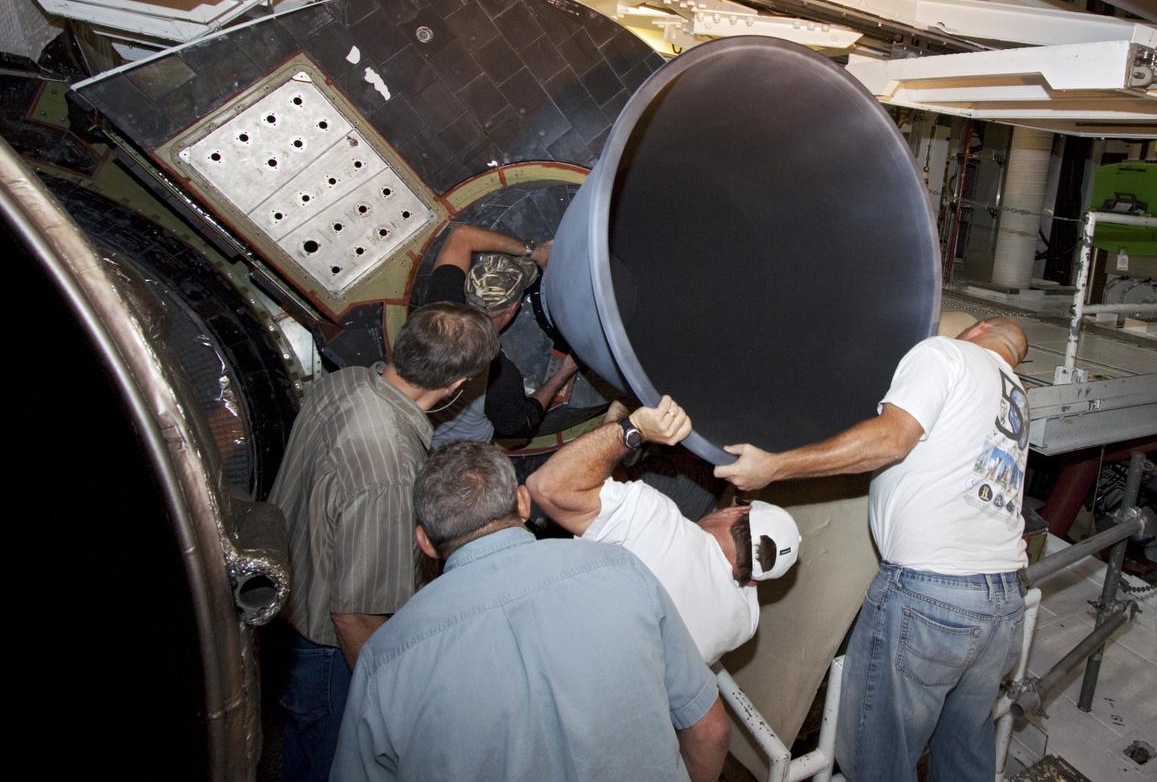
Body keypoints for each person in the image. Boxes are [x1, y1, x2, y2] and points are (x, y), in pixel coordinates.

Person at [714, 316, 1031, 782]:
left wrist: (773, 467)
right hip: (1002, 603)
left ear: (977, 328)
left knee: (875, 763)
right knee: (965, 755)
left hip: (932, 597)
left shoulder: (945, 353)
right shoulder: (1017, 395)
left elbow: (891, 439)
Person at [332, 433, 731, 782]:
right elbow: (709, 730)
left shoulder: (386, 659)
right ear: (523, 503)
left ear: (425, 542)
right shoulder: (622, 568)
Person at [267, 303, 499, 782]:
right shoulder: (389, 470)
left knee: (298, 747)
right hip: (326, 654)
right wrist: (393, 708)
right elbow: (355, 617)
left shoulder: (343, 381)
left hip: (285, 609)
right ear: (456, 386)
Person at [526, 395, 801, 664]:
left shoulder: (656, 521)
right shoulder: (743, 625)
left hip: (538, 640)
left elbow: (546, 487)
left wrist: (633, 427)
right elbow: (746, 563)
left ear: (737, 512)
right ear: (752, 582)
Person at [423, 223, 578, 444]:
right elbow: (520, 424)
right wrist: (564, 373)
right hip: (446, 449)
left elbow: (460, 235)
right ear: (513, 309)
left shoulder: (437, 308)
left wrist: (534, 253)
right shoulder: (499, 378)